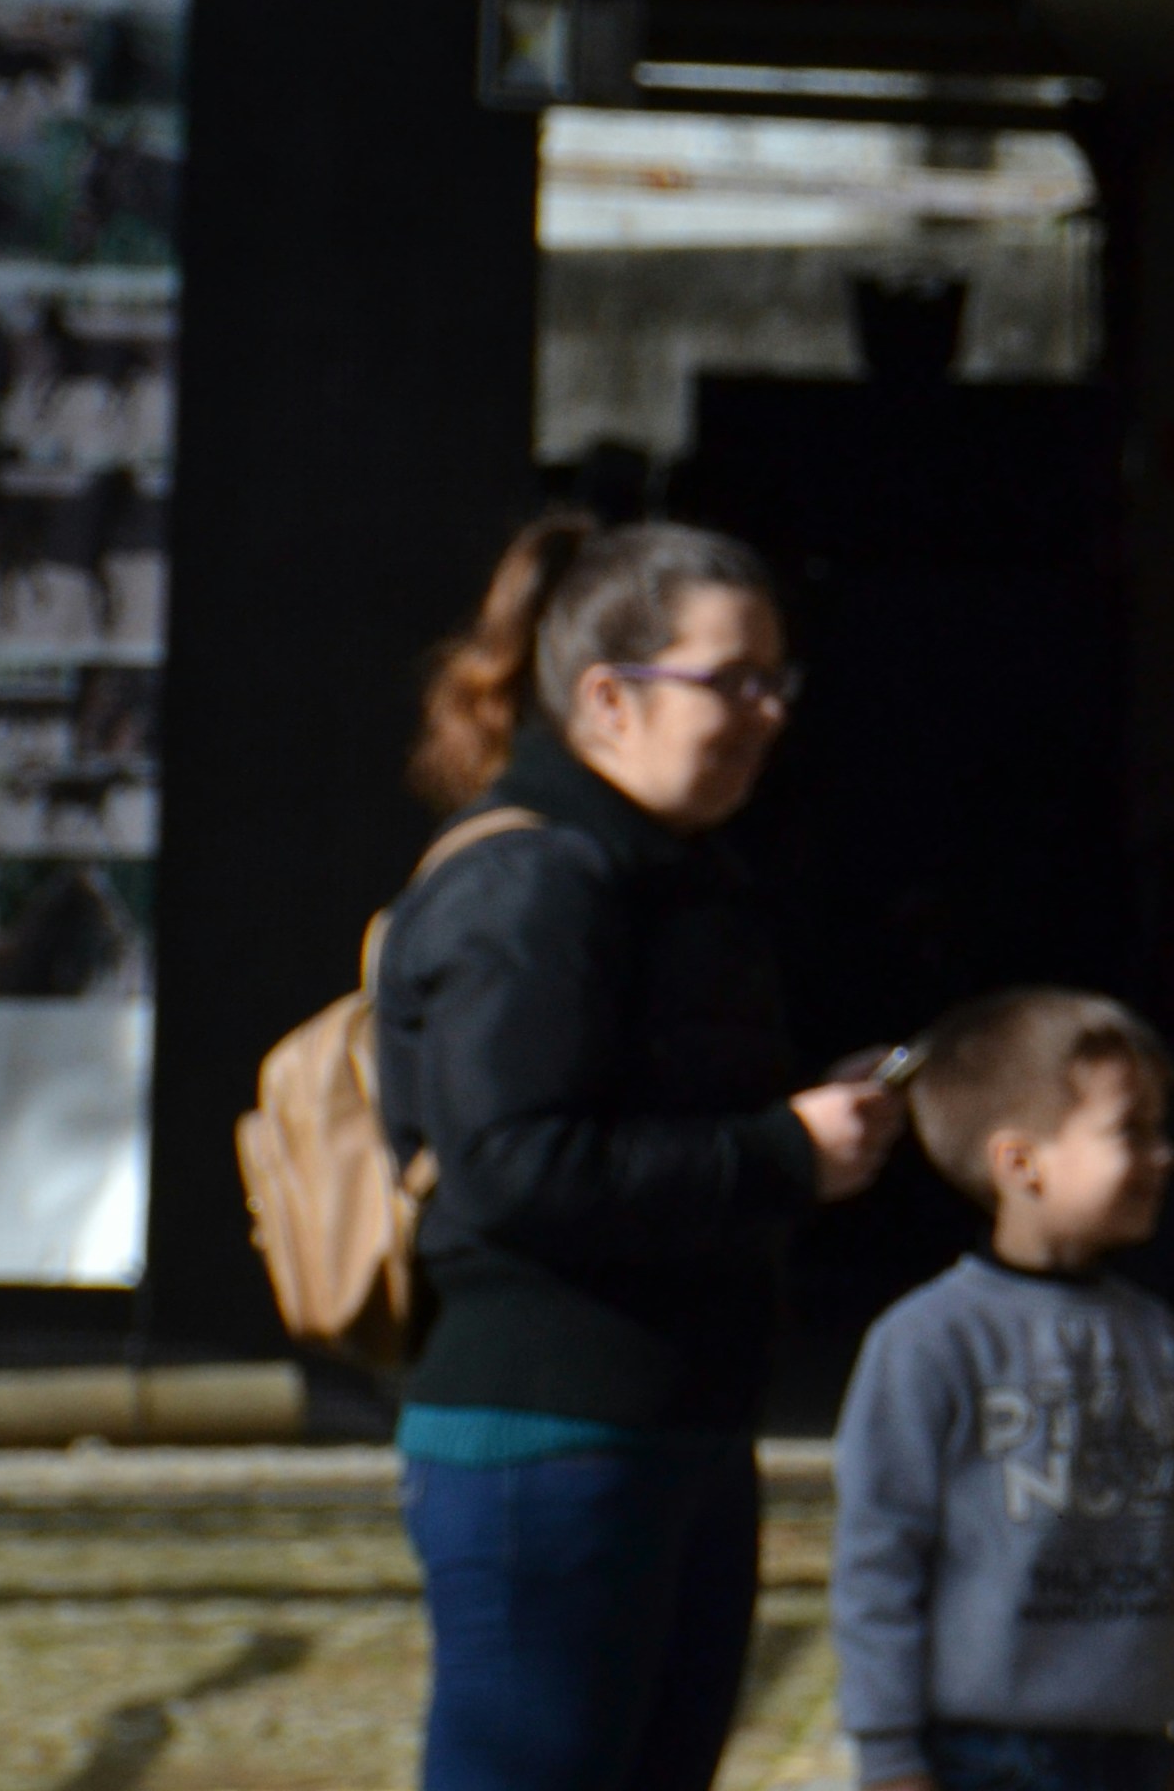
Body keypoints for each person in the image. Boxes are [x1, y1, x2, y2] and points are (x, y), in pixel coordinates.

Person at [375, 514, 903, 1791]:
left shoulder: (659, 867)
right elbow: (514, 1167)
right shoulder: (538, 881)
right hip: (550, 1439)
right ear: (607, 696)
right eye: (734, 680)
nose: (770, 712)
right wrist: (781, 1153)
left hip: (666, 1428)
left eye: (779, 679)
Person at [832, 988, 1174, 1791]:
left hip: (1140, 1751)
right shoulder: (927, 1342)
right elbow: (878, 1562)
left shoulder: (1159, 1339)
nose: (1166, 1155)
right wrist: (887, 1754)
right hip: (983, 1756)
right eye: (1133, 1131)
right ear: (1020, 1163)